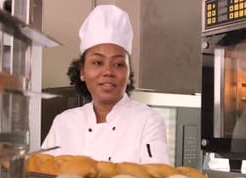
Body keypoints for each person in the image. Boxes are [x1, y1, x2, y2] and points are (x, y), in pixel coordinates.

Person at [42, 5, 170, 165]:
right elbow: (43, 174)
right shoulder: (64, 123)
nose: (108, 71)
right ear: (82, 72)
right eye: (97, 62)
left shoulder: (148, 121)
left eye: (118, 64)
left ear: (128, 75)